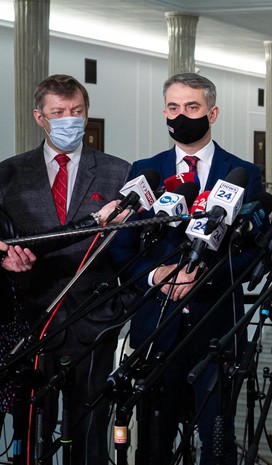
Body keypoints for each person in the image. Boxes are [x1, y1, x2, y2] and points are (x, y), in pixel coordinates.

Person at [110, 72, 262, 465]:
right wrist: (156, 276)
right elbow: (123, 248)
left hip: (217, 327)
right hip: (157, 328)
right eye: (173, 107)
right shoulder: (146, 171)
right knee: (154, 444)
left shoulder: (242, 173)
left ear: (212, 113)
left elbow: (253, 253)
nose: (181, 116)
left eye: (192, 107)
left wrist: (203, 276)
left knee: (217, 441)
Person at [0, 74, 131, 464]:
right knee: (26, 432)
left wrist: (121, 304)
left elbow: (134, 248)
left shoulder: (118, 172)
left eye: (76, 111)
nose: (68, 119)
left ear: (87, 115)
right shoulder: (8, 174)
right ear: (39, 117)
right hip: (29, 322)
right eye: (58, 112)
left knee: (89, 430)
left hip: (95, 319)